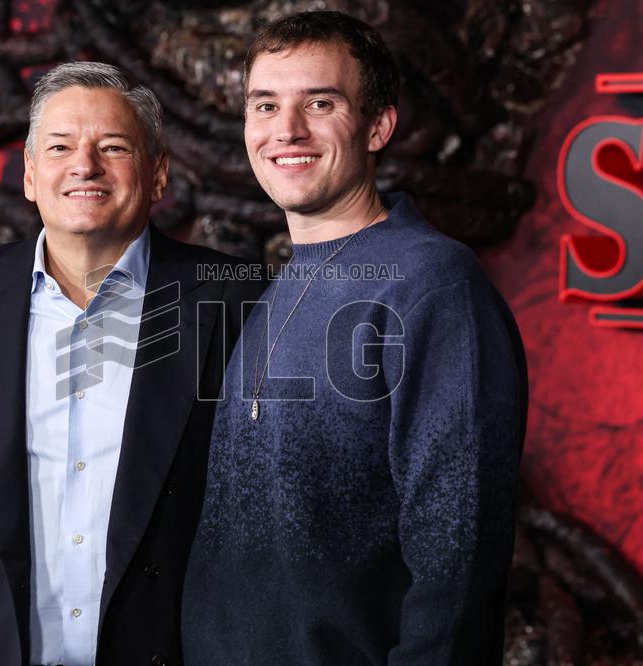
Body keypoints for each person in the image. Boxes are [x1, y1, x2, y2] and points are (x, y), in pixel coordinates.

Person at [0, 62, 263, 666]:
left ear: (158, 172)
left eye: (112, 147)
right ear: (31, 175)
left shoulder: (234, 298)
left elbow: (262, 519)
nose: (84, 166)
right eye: (60, 147)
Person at [182, 11, 527, 665]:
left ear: (378, 126)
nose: (287, 130)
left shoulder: (431, 283)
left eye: (319, 102)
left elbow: (459, 559)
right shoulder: (279, 287)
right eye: (266, 105)